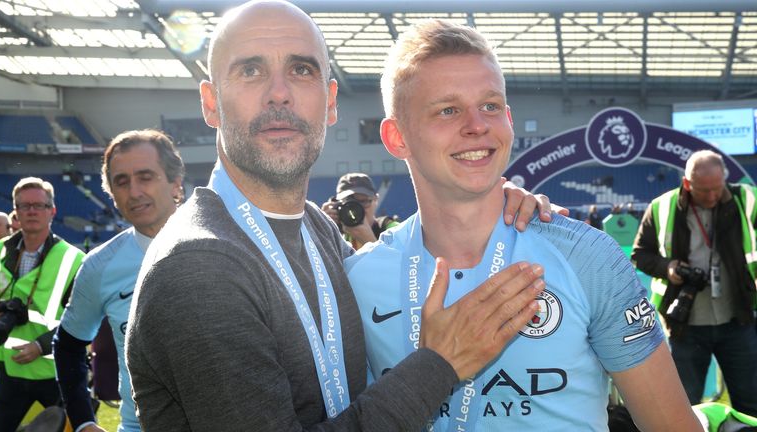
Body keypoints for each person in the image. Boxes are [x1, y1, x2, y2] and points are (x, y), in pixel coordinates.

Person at [125, 2, 555, 430]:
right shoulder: (198, 266)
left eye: (301, 70)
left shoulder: (317, 230)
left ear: (330, 102)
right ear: (211, 103)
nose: (279, 92)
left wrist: (489, 199)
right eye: (251, 71)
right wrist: (438, 364)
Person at [346, 20, 701, 431]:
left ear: (509, 119)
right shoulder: (358, 278)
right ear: (396, 137)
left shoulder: (586, 256)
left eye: (491, 106)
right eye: (448, 109)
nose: (477, 125)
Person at [53, 130, 184, 432]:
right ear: (111, 193)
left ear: (175, 182)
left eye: (146, 176)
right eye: (121, 182)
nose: (134, 191)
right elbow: (68, 346)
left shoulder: (223, 243)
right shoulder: (99, 266)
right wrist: (84, 421)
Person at [632, 150, 757, 416]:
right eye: (703, 190)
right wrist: (669, 268)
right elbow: (639, 254)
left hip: (738, 319)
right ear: (687, 183)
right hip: (684, 326)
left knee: (751, 403)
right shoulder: (661, 207)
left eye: (716, 188)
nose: (712, 197)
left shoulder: (746, 199)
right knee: (686, 407)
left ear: (724, 178)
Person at [0, 177, 84, 431]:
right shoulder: (3, 249)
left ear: (52, 211)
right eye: (24, 206)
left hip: (56, 370)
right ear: (16, 213)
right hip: (10, 369)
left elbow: (83, 319)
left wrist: (40, 346)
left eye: (38, 205)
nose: (31, 210)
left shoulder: (73, 259)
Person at [321, 173, 398, 249]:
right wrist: (323, 228)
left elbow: (403, 260)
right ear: (337, 205)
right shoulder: (339, 235)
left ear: (376, 199)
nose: (356, 208)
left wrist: (369, 241)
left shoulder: (393, 229)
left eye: (363, 201)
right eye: (349, 203)